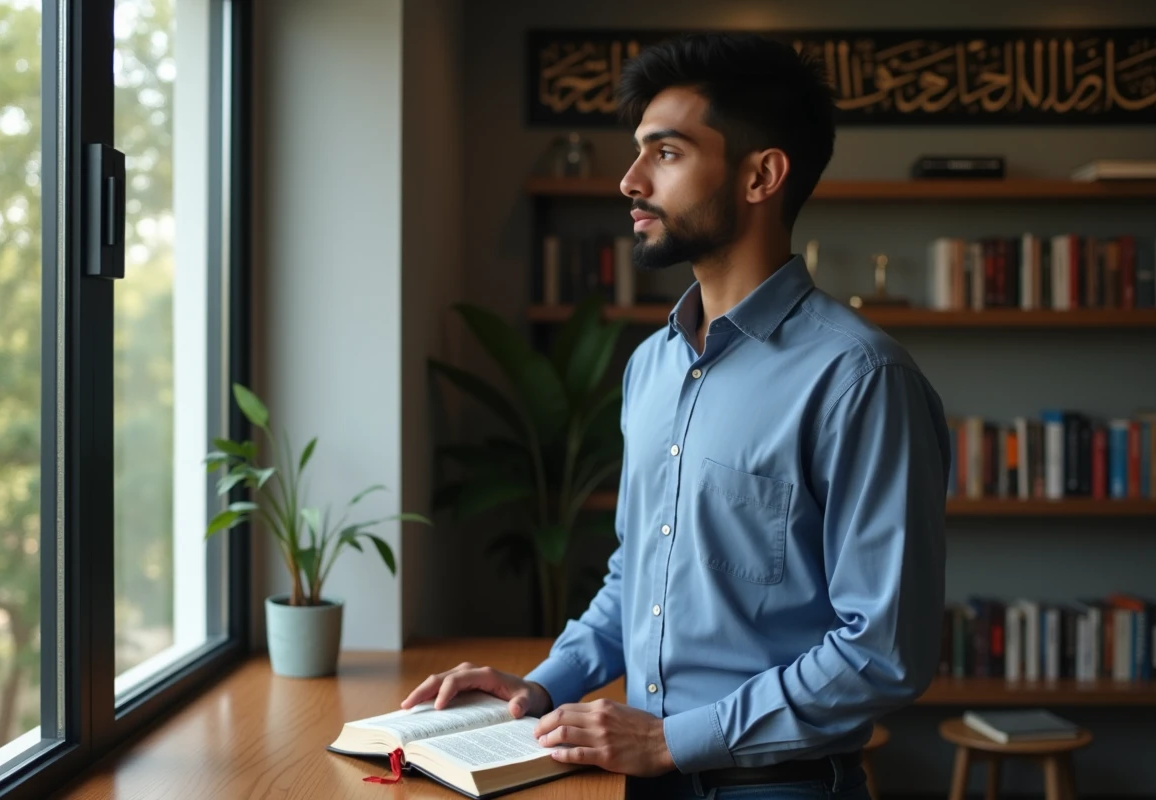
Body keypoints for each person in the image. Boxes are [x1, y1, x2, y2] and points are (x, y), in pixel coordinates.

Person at [402, 31, 950, 799]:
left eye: (665, 154)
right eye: (638, 153)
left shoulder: (860, 378)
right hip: (635, 781)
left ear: (762, 175)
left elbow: (885, 649)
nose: (629, 182)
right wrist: (543, 686)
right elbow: (639, 577)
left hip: (776, 788)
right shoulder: (651, 367)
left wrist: (672, 741)